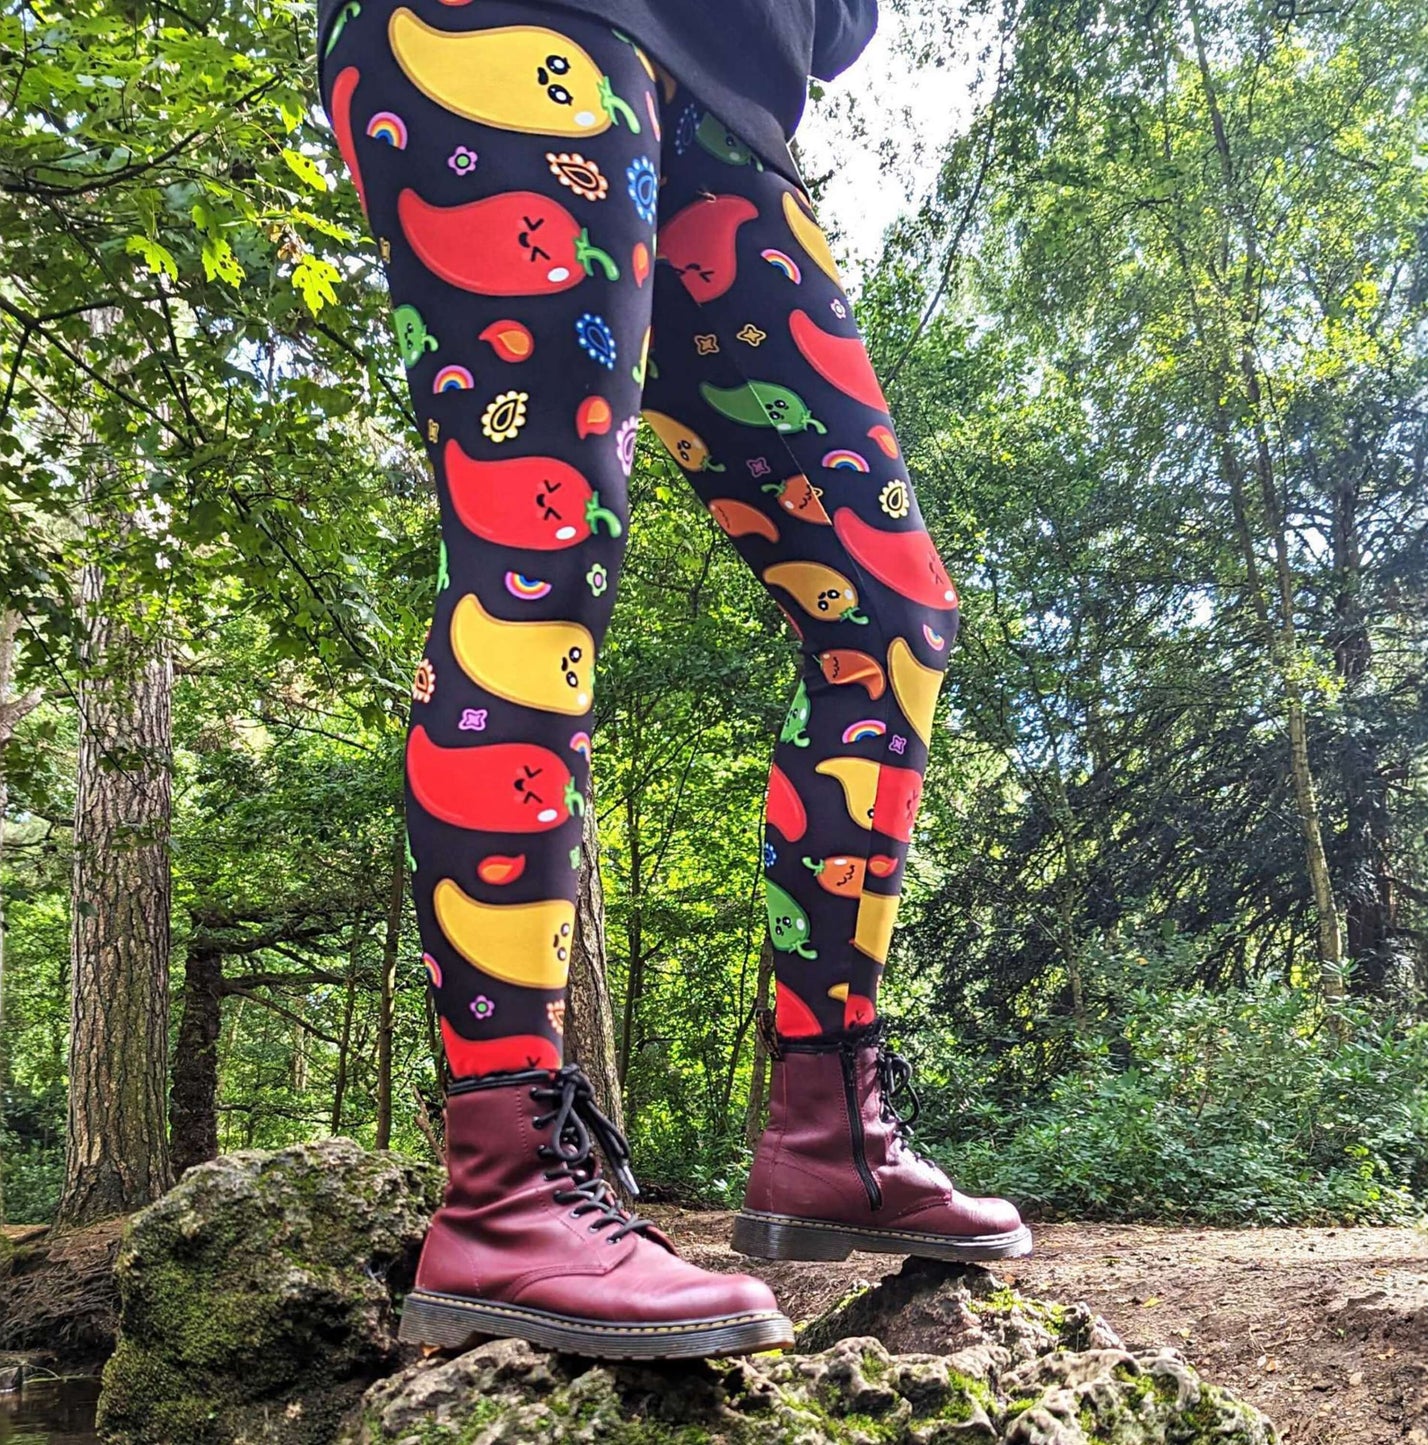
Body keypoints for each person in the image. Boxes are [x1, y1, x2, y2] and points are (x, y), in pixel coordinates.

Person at [314, 0, 1030, 1363]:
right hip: (519, 27)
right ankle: (507, 1188)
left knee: (891, 619)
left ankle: (828, 1133)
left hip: (733, 114)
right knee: (535, 555)